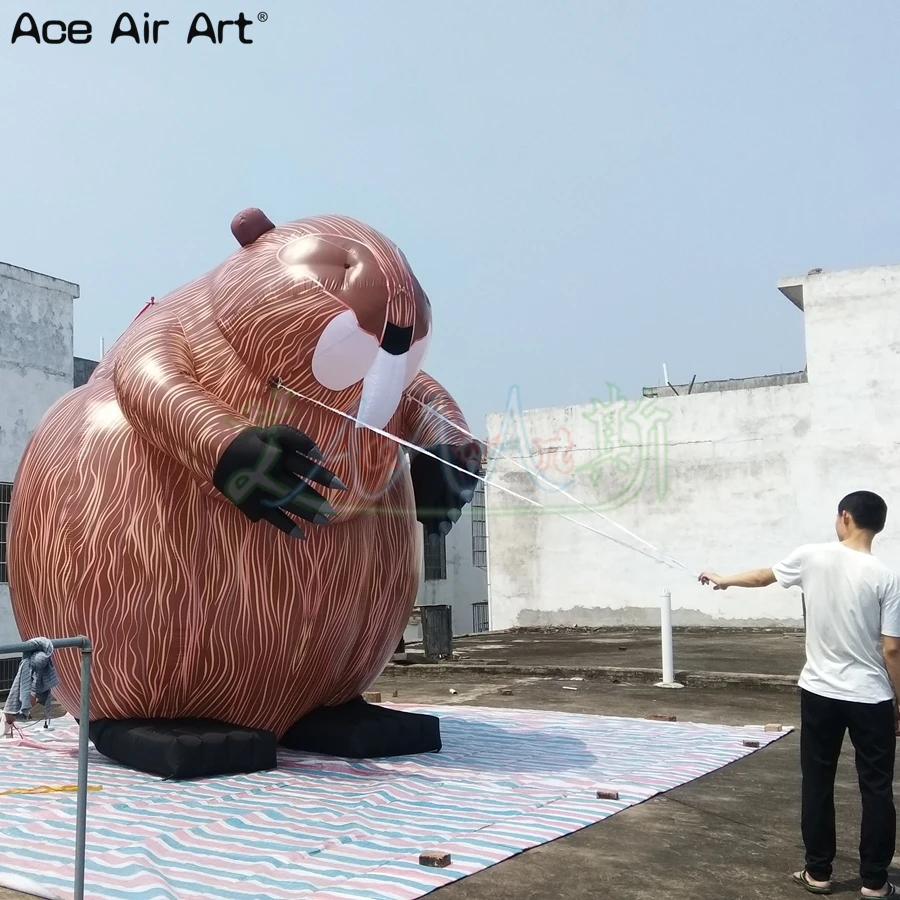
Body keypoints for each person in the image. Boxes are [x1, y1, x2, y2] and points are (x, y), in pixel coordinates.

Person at [699, 491, 900, 898]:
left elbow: (762, 576)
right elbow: (892, 649)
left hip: (821, 692)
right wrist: (899, 701)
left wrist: (724, 579)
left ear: (845, 517)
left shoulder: (812, 556)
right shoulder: (887, 576)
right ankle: (875, 882)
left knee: (818, 781)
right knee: (877, 787)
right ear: (877, 525)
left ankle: (819, 873)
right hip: (871, 695)